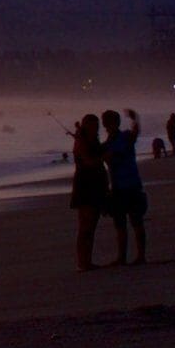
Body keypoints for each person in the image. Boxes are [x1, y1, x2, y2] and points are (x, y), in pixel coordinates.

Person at [105, 110, 149, 264]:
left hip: (130, 185)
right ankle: (122, 256)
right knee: (120, 224)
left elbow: (136, 132)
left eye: (108, 122)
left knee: (136, 222)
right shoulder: (108, 143)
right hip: (118, 186)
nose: (106, 125)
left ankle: (140, 256)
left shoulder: (124, 137)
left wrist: (136, 118)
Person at [71, 112, 111, 270]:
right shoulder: (81, 141)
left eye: (97, 126)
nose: (96, 129)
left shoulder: (90, 139)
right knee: (86, 226)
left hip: (95, 184)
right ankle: (83, 262)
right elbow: (88, 161)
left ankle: (87, 260)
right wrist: (104, 157)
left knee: (92, 225)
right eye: (93, 126)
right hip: (86, 185)